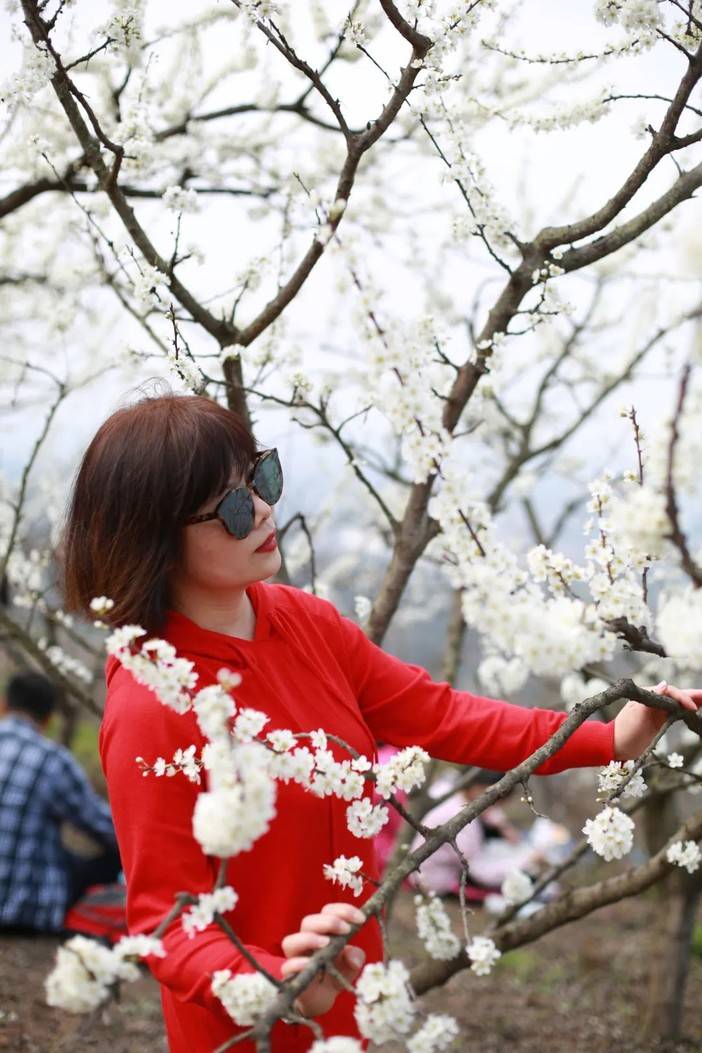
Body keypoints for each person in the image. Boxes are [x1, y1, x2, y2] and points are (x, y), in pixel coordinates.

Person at [61, 392, 702, 1053]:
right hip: (251, 1022)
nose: (262, 509)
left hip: (352, 999)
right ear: (156, 542)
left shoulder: (304, 622)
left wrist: (605, 738)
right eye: (230, 507)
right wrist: (275, 982)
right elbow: (166, 924)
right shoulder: (152, 704)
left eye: (260, 478)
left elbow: (440, 714)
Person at [0, 671, 120, 934]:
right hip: (24, 913)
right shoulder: (51, 760)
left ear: (4, 705)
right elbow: (106, 828)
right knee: (118, 851)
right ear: (48, 719)